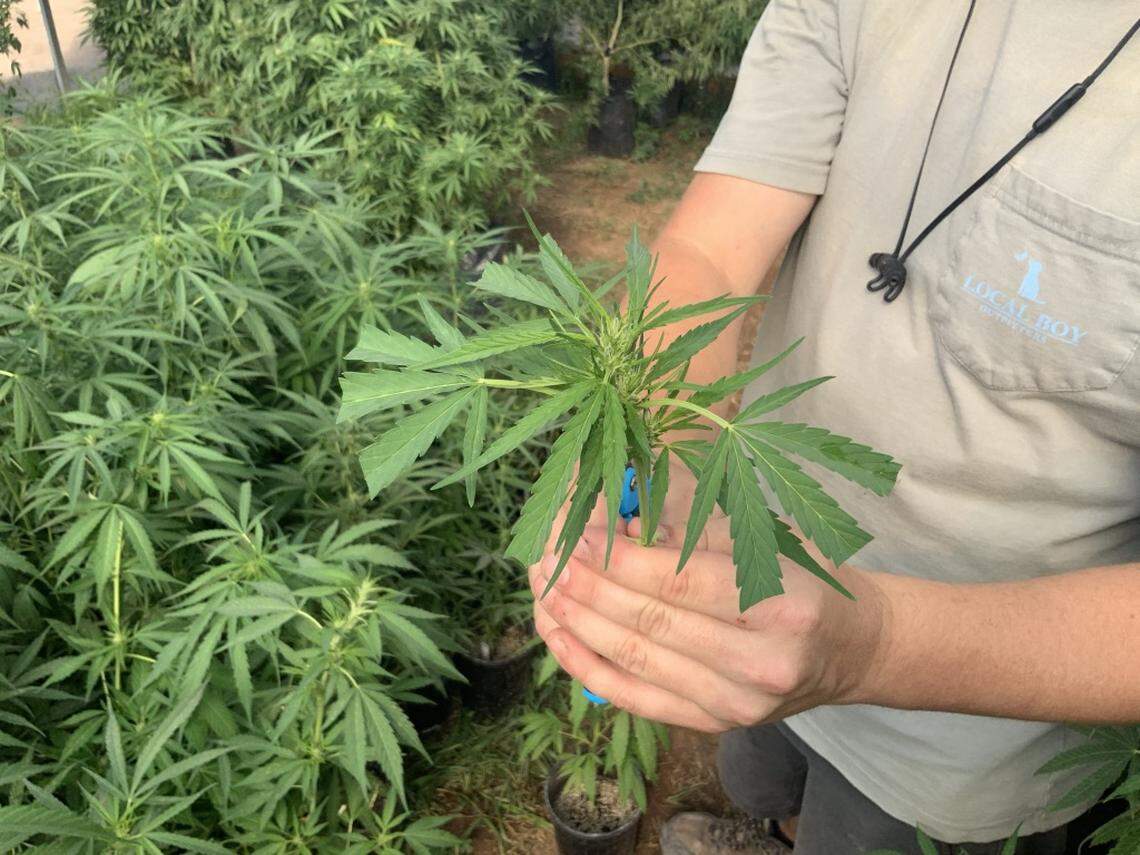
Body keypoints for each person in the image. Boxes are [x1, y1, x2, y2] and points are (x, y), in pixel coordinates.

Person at [528, 1, 1140, 853]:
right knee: (766, 782)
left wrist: (870, 645)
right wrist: (650, 442)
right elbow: (708, 253)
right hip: (751, 562)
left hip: (969, 735)